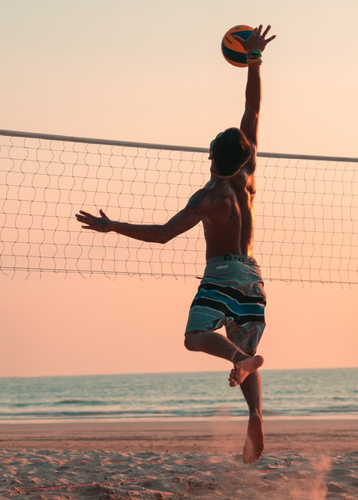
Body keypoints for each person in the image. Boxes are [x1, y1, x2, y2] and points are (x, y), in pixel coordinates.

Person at [75, 25, 276, 464]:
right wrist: (255, 59)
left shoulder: (207, 198)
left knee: (195, 337)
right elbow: (253, 110)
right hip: (253, 273)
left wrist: (114, 227)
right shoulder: (249, 176)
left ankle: (239, 359)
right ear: (244, 155)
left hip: (222, 272)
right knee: (248, 350)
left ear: (212, 157)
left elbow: (163, 234)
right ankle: (256, 414)